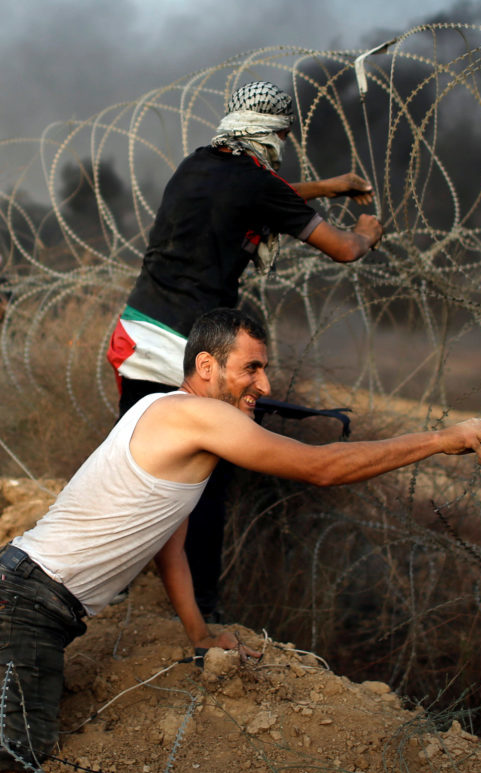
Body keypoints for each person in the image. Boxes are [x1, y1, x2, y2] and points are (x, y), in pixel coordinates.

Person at [0, 309, 481, 773]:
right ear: (206, 367)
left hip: (27, 594)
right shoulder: (200, 416)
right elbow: (321, 469)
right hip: (25, 599)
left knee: (6, 708)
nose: (264, 386)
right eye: (252, 369)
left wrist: (199, 635)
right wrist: (437, 439)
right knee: (26, 753)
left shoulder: (165, 415)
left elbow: (169, 549)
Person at [106, 80, 384, 619]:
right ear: (276, 134)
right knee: (205, 474)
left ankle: (110, 579)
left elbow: (263, 194)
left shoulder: (197, 164)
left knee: (134, 459)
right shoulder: (257, 183)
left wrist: (326, 186)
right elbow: (344, 250)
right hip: (193, 351)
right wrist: (367, 231)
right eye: (283, 137)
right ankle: (202, 609)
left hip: (136, 332)